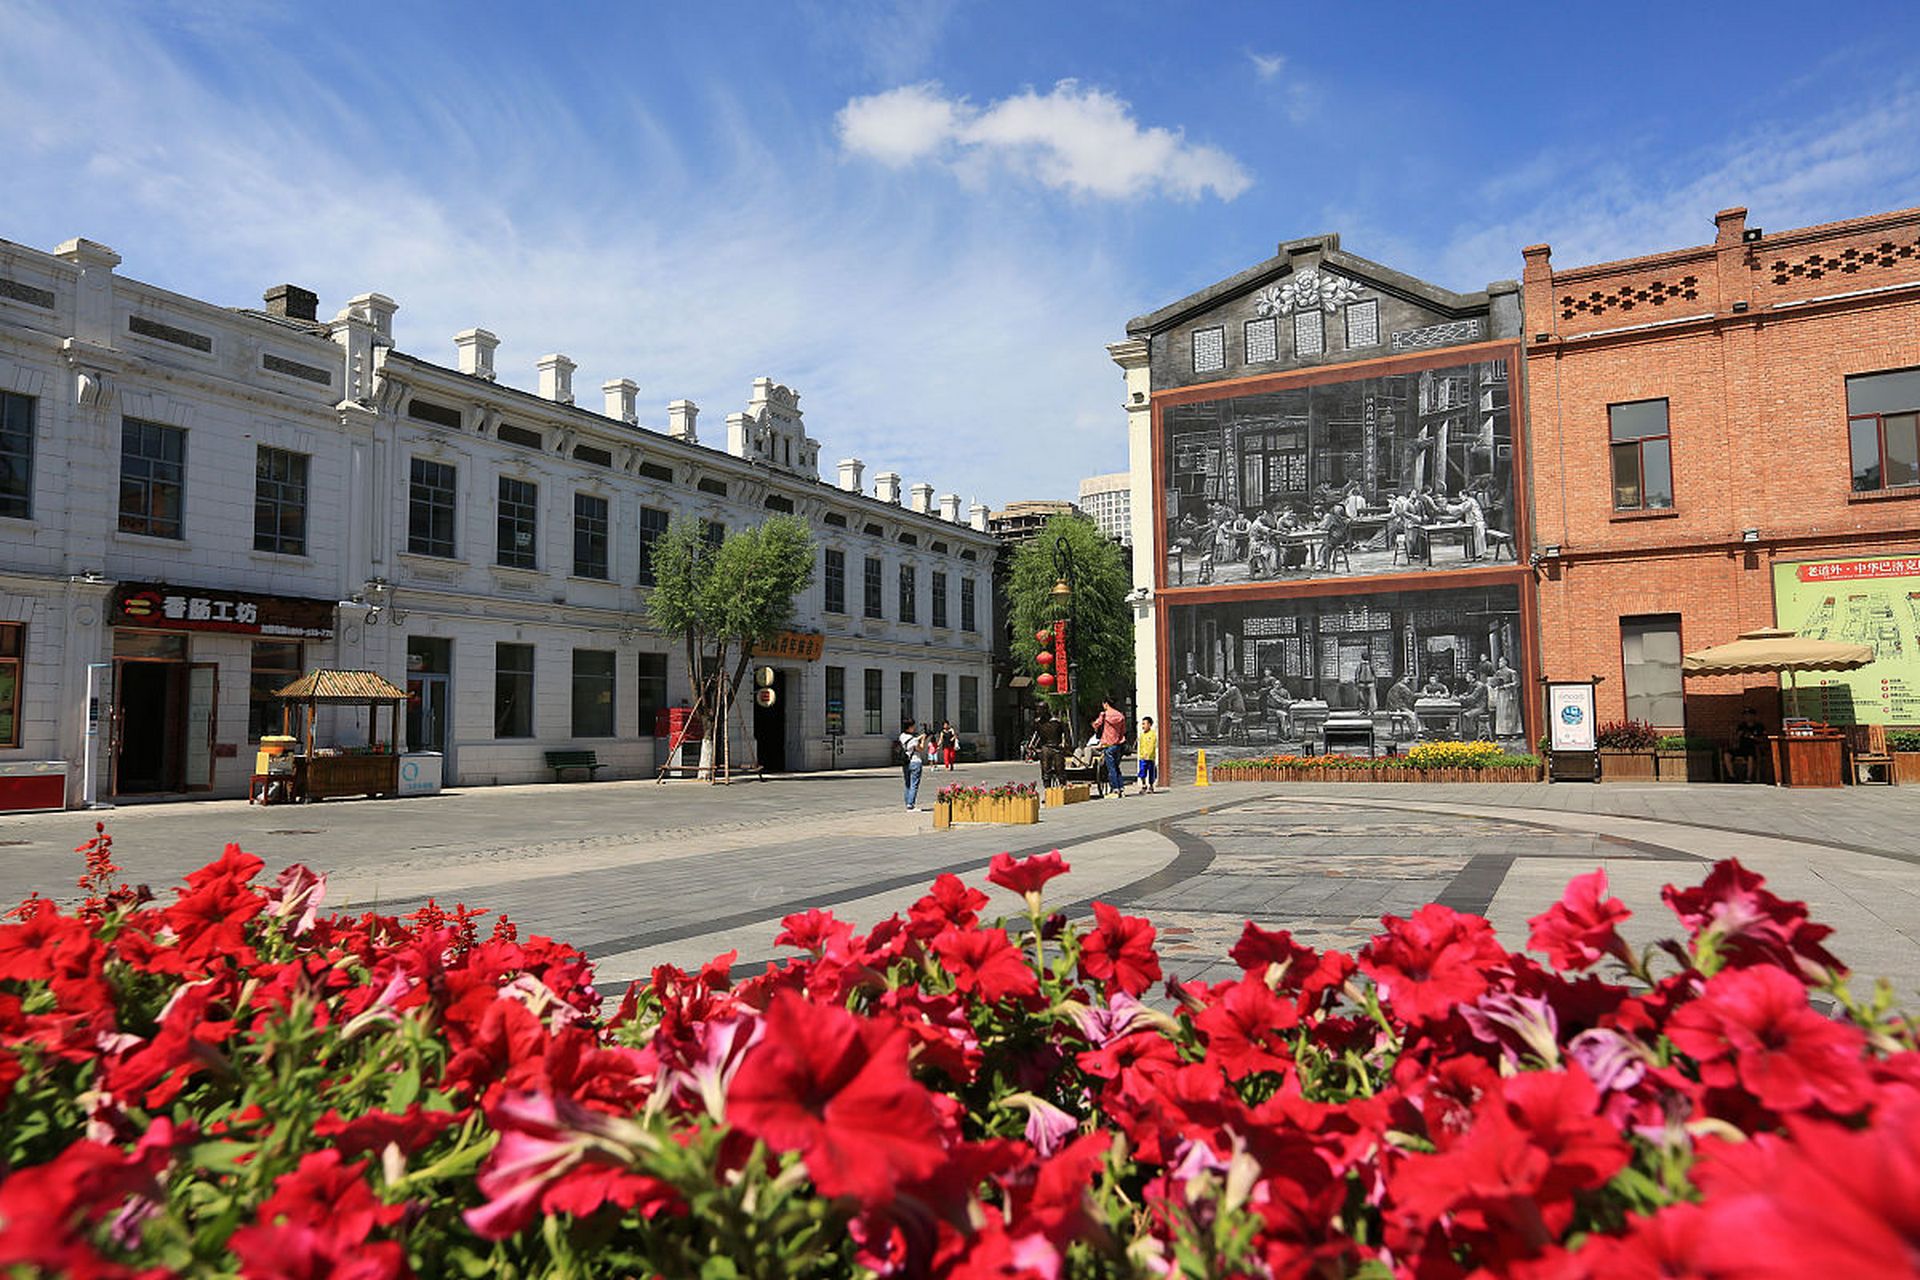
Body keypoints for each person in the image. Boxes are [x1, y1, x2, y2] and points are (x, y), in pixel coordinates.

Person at [1094, 697, 1128, 798]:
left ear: (1106, 704)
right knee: (1116, 767)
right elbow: (1123, 731)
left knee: (1111, 768)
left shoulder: (1104, 715)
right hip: (1118, 745)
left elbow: (1096, 725)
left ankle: (1115, 789)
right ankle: (1121, 787)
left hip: (1108, 745)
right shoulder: (1120, 715)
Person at [1032, 706, 1068, 788]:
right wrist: (1032, 746)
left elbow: (1065, 734)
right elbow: (1036, 735)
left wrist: (1064, 744)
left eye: (1040, 710)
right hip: (1045, 747)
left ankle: (1062, 787)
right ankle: (1047, 790)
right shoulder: (1038, 723)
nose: (1038, 712)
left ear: (1046, 710)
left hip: (1057, 747)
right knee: (1045, 770)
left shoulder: (1057, 722)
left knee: (1059, 769)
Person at [1732, 706, 1767, 783]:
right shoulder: (1741, 726)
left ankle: (1749, 777)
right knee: (1727, 754)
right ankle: (1732, 776)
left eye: (1749, 715)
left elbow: (1764, 739)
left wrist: (1752, 737)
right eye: (1746, 715)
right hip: (1741, 747)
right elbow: (1736, 739)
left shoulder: (1759, 726)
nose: (1748, 717)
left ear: (1754, 716)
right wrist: (1738, 735)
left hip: (1754, 748)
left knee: (1750, 756)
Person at [898, 719, 927, 810]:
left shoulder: (902, 736)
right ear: (909, 727)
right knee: (914, 784)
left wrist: (919, 737)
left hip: (906, 762)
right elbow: (920, 749)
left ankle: (908, 803)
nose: (914, 728)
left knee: (908, 784)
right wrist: (922, 740)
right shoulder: (914, 739)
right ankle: (911, 805)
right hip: (915, 761)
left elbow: (909, 742)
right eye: (913, 726)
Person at [1136, 716, 1159, 793]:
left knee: (1151, 772)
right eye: (1142, 724)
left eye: (1144, 724)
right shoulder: (1142, 735)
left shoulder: (1152, 734)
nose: (1143, 726)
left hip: (1150, 758)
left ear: (1149, 724)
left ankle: (1151, 786)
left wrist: (1148, 754)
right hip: (1142, 757)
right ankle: (1144, 785)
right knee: (1142, 772)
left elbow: (1152, 746)